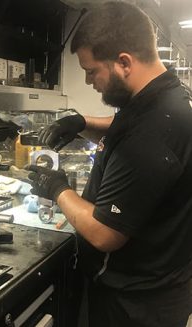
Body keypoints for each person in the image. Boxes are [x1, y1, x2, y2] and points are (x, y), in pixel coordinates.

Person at [26, 2, 192, 327]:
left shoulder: (155, 130)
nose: (89, 81)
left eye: (91, 71)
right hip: (161, 283)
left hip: (135, 303)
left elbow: (105, 234)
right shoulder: (163, 97)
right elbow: (126, 128)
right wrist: (80, 122)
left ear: (124, 62)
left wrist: (56, 187)